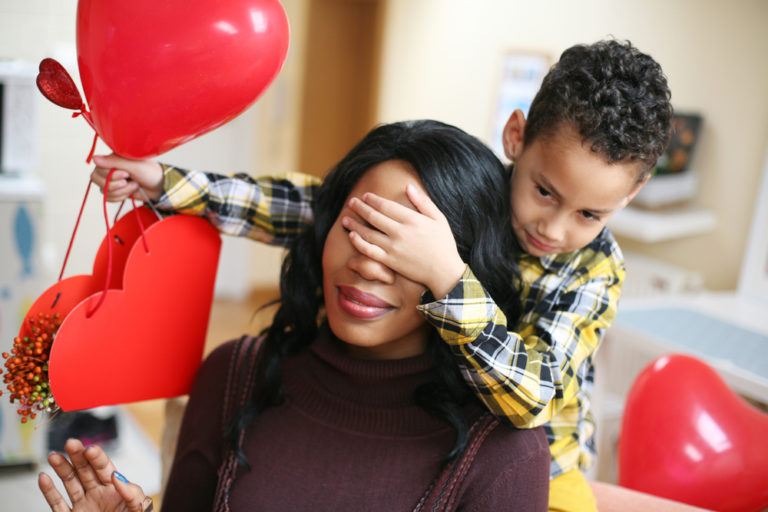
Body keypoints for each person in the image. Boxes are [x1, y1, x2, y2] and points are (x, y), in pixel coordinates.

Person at [91, 39, 673, 511]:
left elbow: (532, 401)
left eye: (589, 215)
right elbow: (304, 206)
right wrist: (167, 183)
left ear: (633, 194)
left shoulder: (594, 270)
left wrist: (447, 274)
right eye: (544, 191)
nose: (553, 227)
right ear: (516, 138)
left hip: (547, 462)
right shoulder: (476, 191)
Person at [39, 120, 551, 512]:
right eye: (356, 227)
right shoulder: (234, 375)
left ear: (461, 269)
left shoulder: (505, 452)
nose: (367, 262)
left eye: (404, 246)